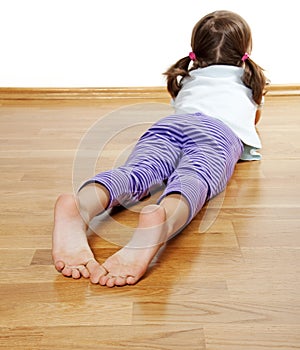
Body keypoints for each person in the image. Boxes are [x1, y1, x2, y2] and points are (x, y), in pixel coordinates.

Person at [52, 10, 267, 287]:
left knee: (137, 172)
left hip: (169, 126)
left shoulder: (189, 77)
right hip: (216, 134)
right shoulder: (250, 80)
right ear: (245, 51)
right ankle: (162, 221)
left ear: (195, 51)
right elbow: (254, 119)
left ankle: (81, 206)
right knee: (194, 177)